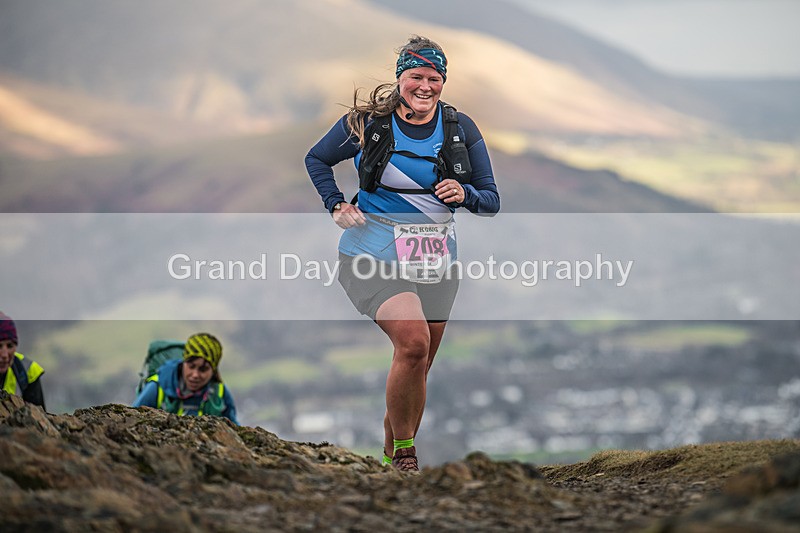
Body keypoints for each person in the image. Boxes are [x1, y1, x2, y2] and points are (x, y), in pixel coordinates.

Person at [305, 36, 499, 472]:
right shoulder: (367, 123)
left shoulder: (459, 129)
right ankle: (408, 456)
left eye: (435, 78)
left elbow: (490, 199)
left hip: (436, 260)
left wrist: (464, 192)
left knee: (418, 367)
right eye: (417, 77)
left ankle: (392, 460)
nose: (426, 86)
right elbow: (316, 159)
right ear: (400, 78)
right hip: (371, 251)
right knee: (413, 344)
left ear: (443, 81)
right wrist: (336, 203)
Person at [133, 333, 239, 425]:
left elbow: (235, 428)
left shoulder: (219, 392)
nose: (195, 375)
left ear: (214, 371)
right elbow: (133, 418)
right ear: (183, 362)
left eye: (203, 369)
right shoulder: (157, 386)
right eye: (191, 366)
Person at [0, 311, 46, 409]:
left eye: (10, 346)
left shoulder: (28, 371)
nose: (4, 355)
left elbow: (40, 416)